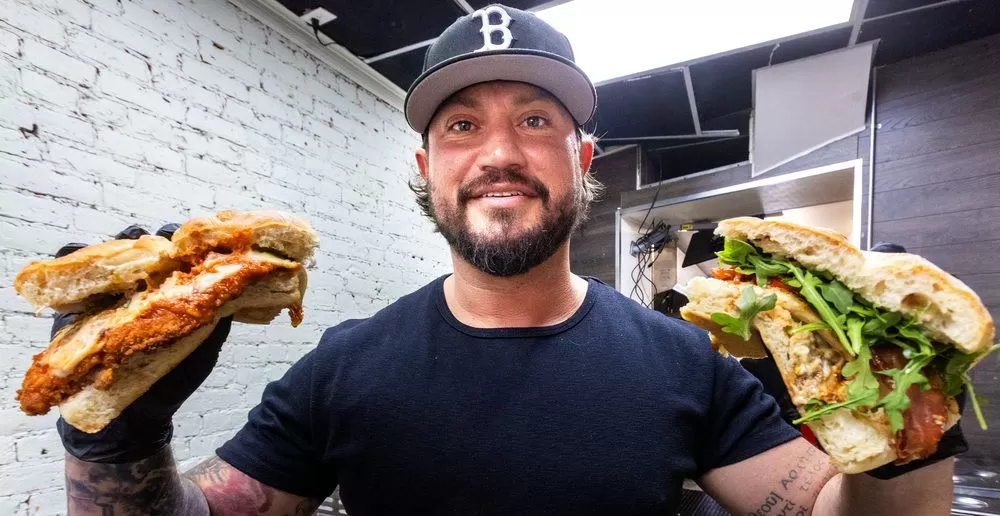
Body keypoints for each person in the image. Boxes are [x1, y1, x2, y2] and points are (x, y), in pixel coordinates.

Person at [57, 5, 958, 515]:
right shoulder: (345, 363)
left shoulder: (684, 358)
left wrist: (906, 407)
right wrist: (116, 442)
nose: (499, 153)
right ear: (427, 170)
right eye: (462, 126)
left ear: (582, 160)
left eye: (536, 120)